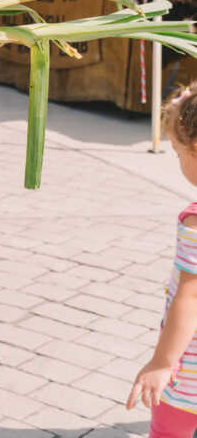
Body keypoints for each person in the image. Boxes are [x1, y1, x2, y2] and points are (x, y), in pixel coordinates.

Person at [127, 83, 197, 436]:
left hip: (190, 374)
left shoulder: (196, 220)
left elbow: (192, 296)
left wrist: (162, 362)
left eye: (177, 152)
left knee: (171, 430)